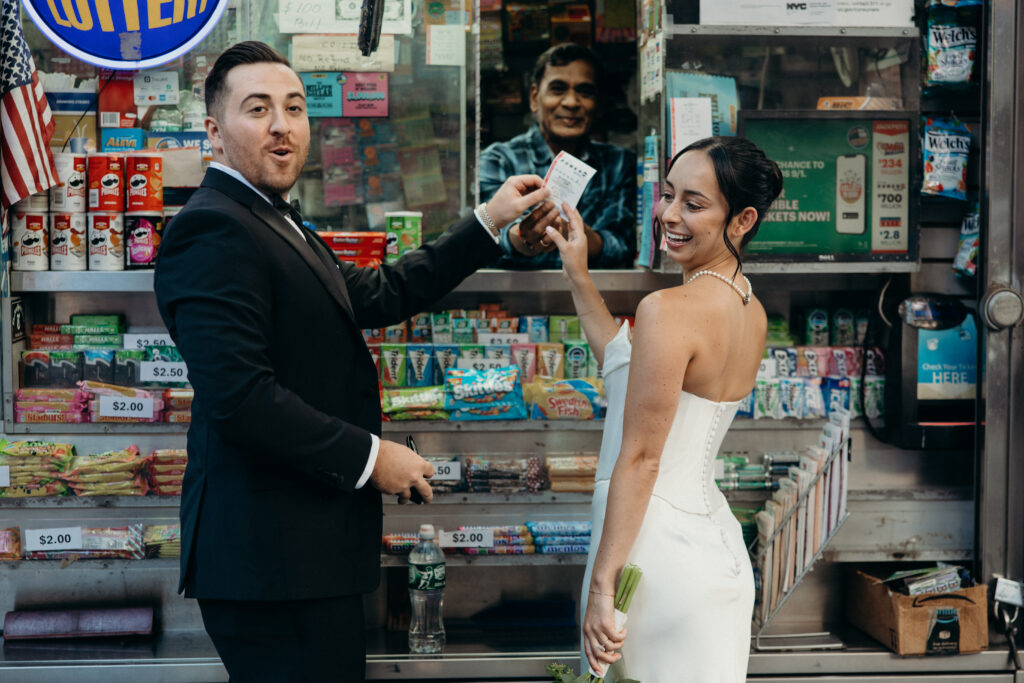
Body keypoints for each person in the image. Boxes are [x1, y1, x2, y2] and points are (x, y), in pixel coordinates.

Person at [153, 41, 549, 682]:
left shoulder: (273, 217)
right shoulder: (214, 229)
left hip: (304, 558)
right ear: (214, 132)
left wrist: (486, 222)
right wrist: (372, 458)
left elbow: (379, 292)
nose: (282, 126)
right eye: (257, 109)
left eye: (294, 108)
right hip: (271, 568)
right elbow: (240, 398)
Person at [545, 136, 783, 681]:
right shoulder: (748, 306)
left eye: (693, 205)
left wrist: (604, 585)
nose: (669, 215)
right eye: (668, 195)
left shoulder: (669, 309)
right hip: (712, 553)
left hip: (648, 559)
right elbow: (634, 375)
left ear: (742, 219)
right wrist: (578, 271)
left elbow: (642, 459)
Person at [478, 43, 636, 269]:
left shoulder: (619, 163)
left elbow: (621, 246)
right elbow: (485, 239)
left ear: (598, 104)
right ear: (534, 97)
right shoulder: (498, 160)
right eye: (558, 89)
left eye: (585, 91)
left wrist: (575, 233)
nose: (571, 102)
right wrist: (523, 237)